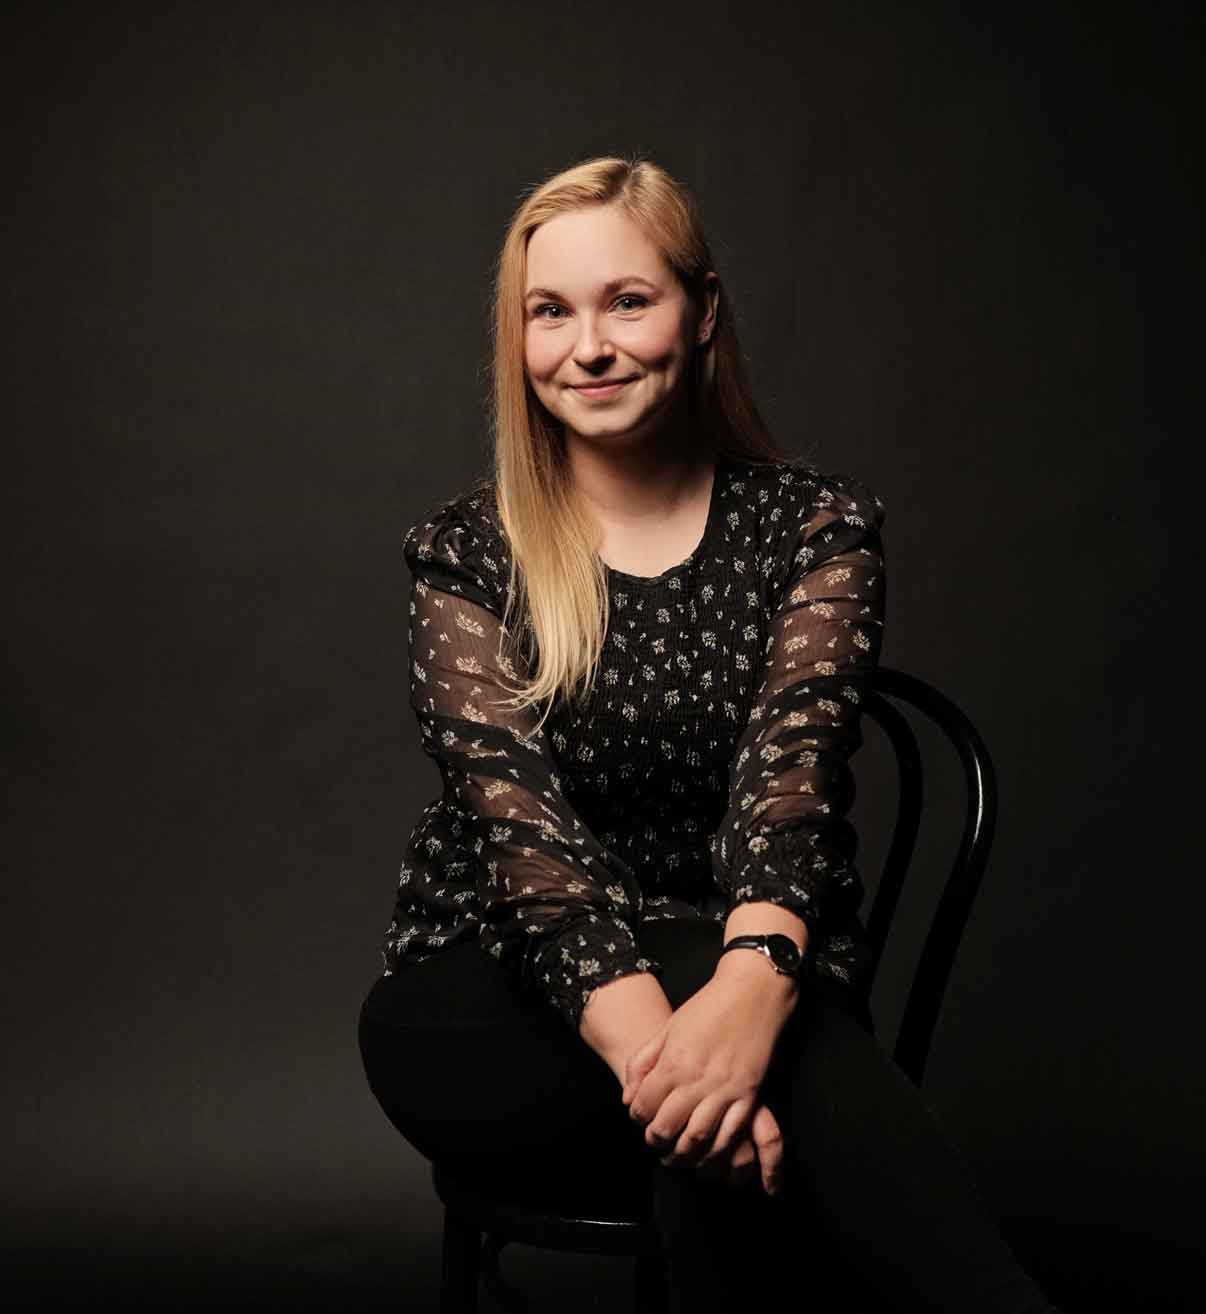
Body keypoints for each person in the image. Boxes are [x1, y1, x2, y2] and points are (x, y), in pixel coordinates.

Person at [358, 154, 1064, 1313]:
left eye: (627, 301)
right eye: (550, 311)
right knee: (762, 1093)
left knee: (747, 1127)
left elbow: (790, 789)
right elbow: (536, 864)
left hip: (757, 982)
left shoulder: (811, 528)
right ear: (518, 336)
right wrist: (687, 1062)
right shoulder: (466, 553)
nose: (587, 346)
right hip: (498, 1006)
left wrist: (751, 995)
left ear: (703, 312)